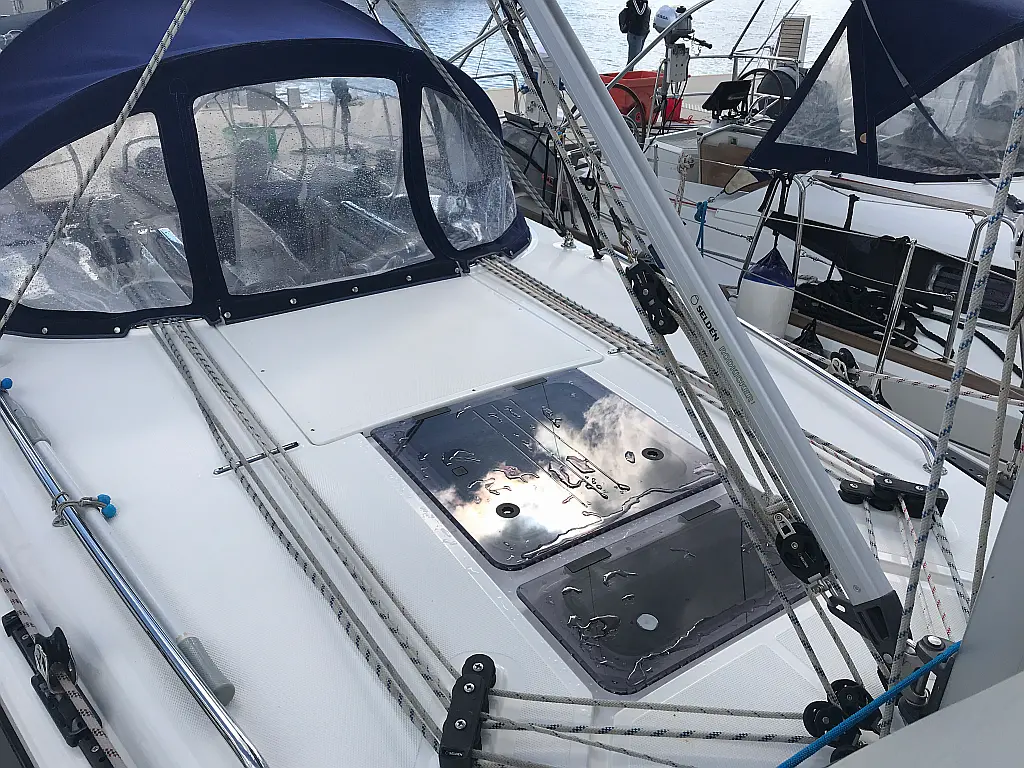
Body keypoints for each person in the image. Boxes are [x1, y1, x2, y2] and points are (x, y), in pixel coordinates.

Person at [618, 0, 651, 71]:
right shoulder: (636, 4)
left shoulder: (644, 4)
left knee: (636, 57)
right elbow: (640, 13)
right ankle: (627, 73)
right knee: (632, 59)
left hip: (642, 33)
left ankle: (628, 73)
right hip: (635, 34)